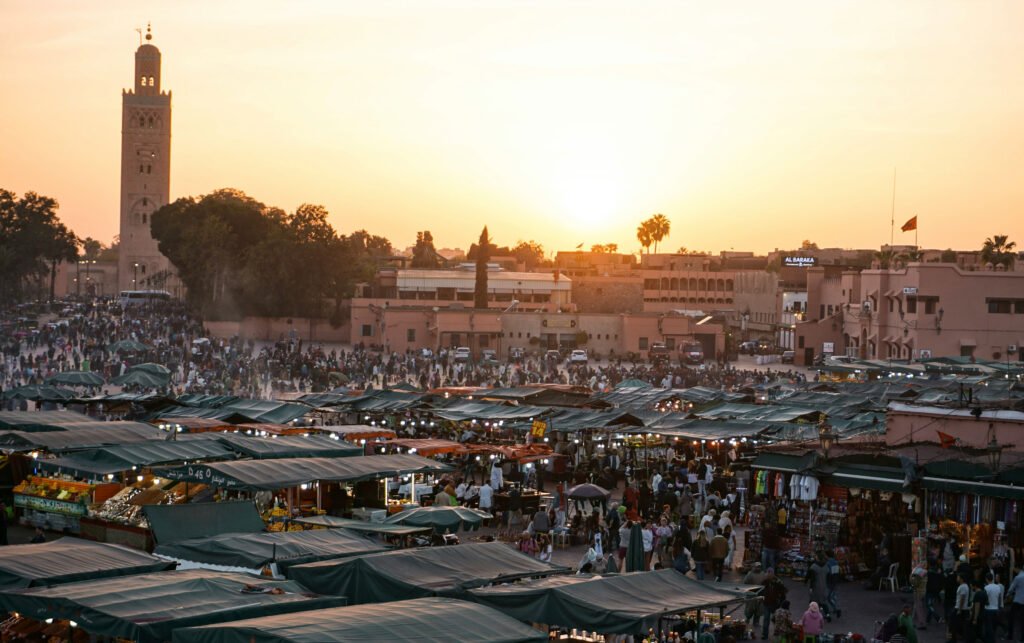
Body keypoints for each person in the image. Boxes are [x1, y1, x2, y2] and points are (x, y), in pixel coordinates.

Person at [763, 568, 788, 640]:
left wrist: (781, 602)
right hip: (766, 603)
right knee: (766, 619)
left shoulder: (778, 582)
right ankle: (765, 635)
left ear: (773, 574)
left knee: (776, 619)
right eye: (768, 573)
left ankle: (777, 633)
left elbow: (784, 592)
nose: (768, 575)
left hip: (775, 604)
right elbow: (761, 590)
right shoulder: (765, 582)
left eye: (770, 573)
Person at [807, 553, 830, 621]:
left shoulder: (814, 567)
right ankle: (827, 614)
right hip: (824, 586)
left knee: (813, 602)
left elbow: (812, 579)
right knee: (823, 602)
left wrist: (811, 587)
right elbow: (828, 576)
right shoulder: (826, 566)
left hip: (816, 587)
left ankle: (812, 615)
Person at [982, 572, 1004, 643]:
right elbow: (999, 598)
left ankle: (990, 640)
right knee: (994, 626)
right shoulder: (998, 587)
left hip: (988, 609)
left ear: (986, 579)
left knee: (988, 627)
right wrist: (999, 607)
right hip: (996, 608)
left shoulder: (986, 588)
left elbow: (985, 599)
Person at [1007, 566, 1024, 642]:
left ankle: (1010, 635)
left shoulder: (1018, 577)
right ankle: (1022, 638)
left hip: (1017, 600)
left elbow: (1011, 588)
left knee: (1011, 618)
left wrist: (1007, 595)